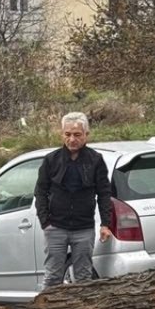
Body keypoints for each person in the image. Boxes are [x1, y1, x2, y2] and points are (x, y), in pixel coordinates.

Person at [34, 112, 113, 288]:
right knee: (53, 277)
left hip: (84, 228)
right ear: (62, 134)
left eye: (77, 135)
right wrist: (45, 221)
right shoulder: (51, 160)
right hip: (55, 227)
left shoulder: (96, 160)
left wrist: (105, 224)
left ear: (86, 135)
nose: (72, 139)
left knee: (84, 277)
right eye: (67, 134)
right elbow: (40, 192)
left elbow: (104, 193)